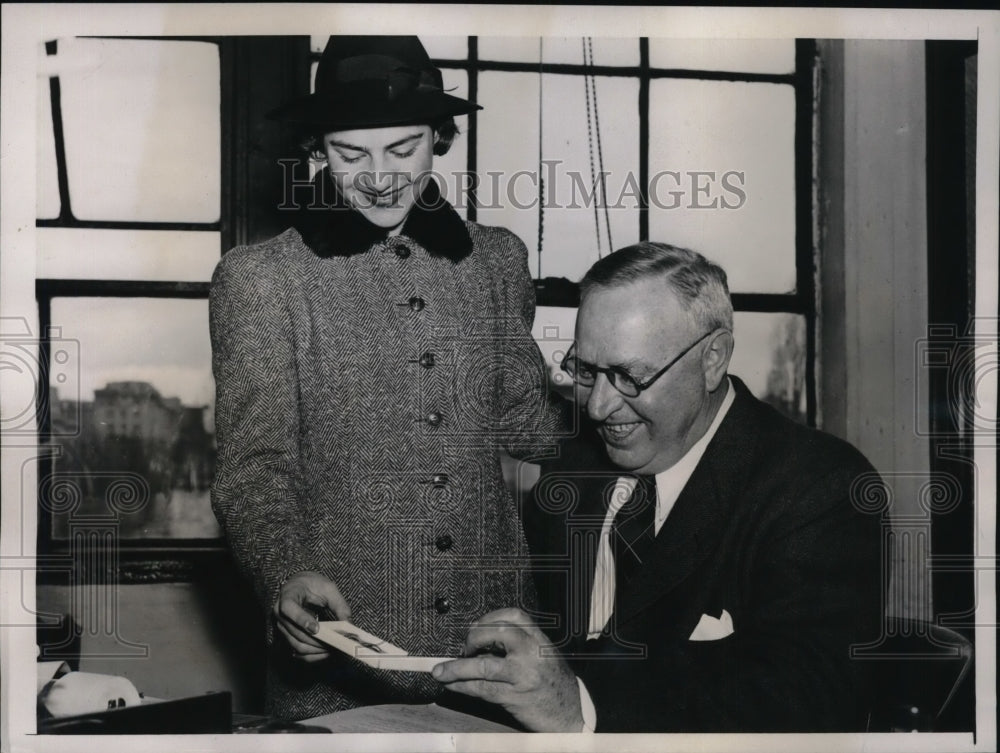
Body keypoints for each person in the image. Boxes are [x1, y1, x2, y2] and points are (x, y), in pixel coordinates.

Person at [209, 36, 563, 720]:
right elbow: (255, 469)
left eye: (402, 150)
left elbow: (530, 424)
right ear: (317, 148)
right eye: (350, 153)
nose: (378, 176)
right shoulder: (260, 281)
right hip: (340, 662)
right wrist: (282, 575)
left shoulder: (498, 261)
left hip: (498, 655)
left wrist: (617, 382)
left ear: (439, 138)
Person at [432, 242, 884, 732]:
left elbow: (810, 700)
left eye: (630, 376)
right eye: (586, 370)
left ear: (713, 358)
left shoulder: (819, 487)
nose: (599, 407)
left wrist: (580, 708)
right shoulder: (572, 466)